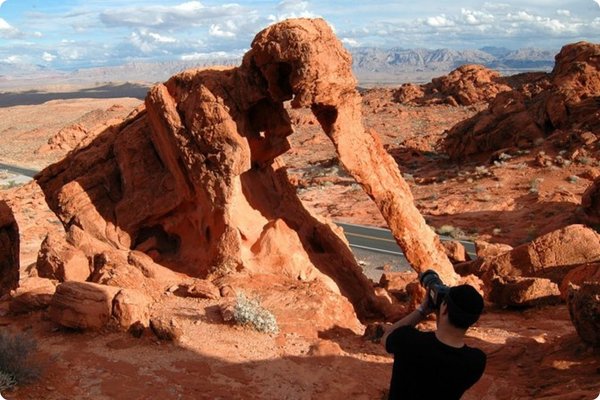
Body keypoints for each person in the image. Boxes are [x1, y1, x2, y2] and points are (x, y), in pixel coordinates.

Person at [382, 284, 486, 399]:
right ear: (473, 321)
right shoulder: (476, 362)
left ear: (445, 309)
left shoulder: (409, 340)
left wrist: (422, 310)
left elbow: (386, 336)